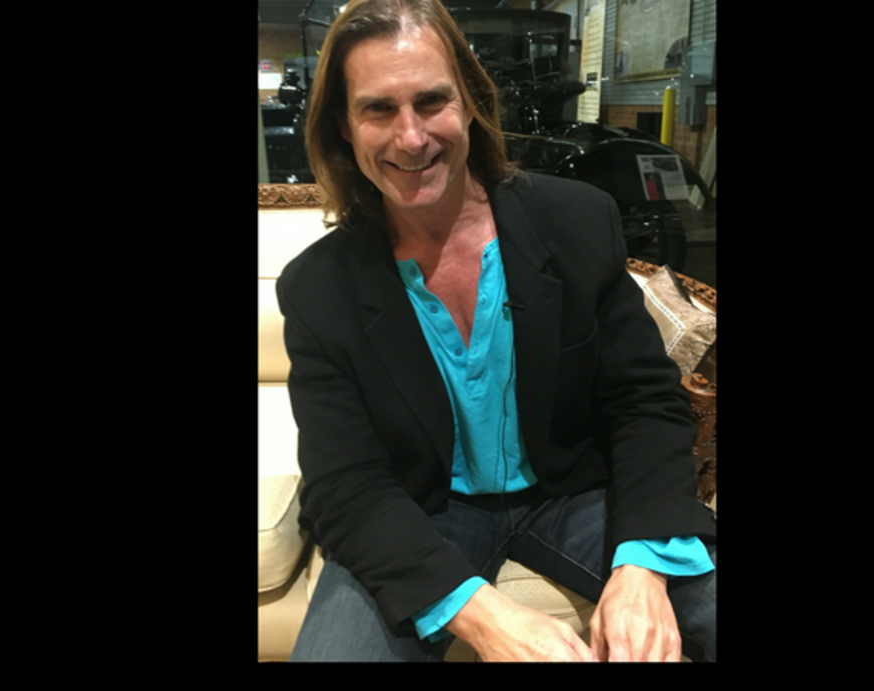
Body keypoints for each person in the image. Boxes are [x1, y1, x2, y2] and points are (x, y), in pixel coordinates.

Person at [278, 0, 716, 662]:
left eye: (431, 101)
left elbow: (644, 402)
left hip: (574, 492)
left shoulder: (576, 221)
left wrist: (643, 564)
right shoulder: (318, 288)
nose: (411, 137)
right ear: (343, 124)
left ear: (470, 103)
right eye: (378, 109)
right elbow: (344, 483)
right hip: (419, 512)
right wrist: (484, 616)